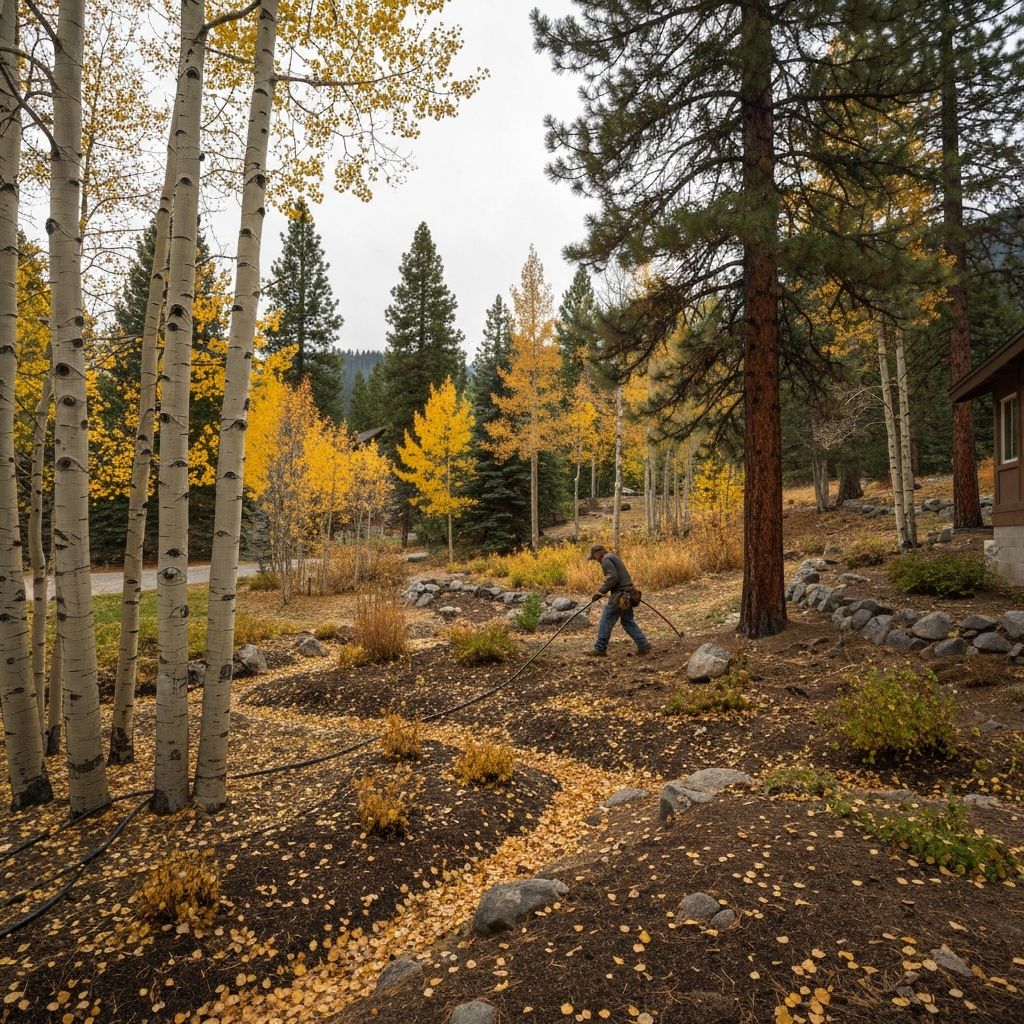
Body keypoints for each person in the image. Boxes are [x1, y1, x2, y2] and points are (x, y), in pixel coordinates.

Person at [585, 543, 651, 657]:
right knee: (627, 621)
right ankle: (643, 645)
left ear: (599, 553)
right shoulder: (613, 556)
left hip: (619, 596)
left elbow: (613, 577)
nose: (595, 560)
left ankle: (600, 648)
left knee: (606, 620)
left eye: (594, 557)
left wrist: (600, 592)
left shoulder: (605, 559)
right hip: (628, 594)